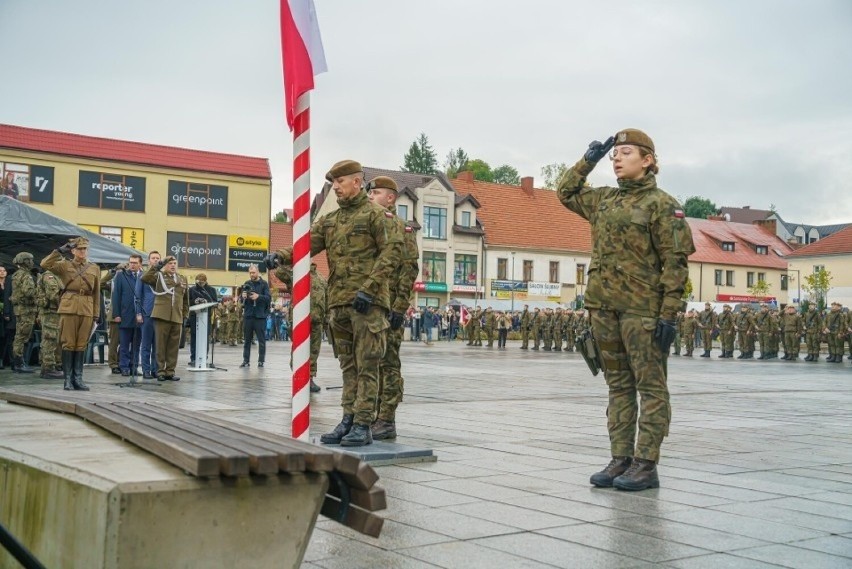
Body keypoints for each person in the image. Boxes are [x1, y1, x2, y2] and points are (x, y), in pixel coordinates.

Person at [557, 128, 694, 491]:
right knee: (618, 385)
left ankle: (646, 463)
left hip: (642, 312)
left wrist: (668, 314)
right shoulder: (603, 200)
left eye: (626, 152)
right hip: (603, 307)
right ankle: (621, 459)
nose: (617, 158)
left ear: (648, 160)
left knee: (650, 387)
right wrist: (589, 160)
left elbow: (675, 265)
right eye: (615, 154)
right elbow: (565, 192)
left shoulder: (663, 205)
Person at [265, 160, 402, 447]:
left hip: (368, 303)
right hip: (339, 304)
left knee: (367, 364)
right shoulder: (331, 220)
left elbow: (391, 254)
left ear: (356, 181)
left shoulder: (378, 216)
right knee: (348, 366)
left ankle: (364, 423)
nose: (336, 187)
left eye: (340, 182)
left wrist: (370, 289)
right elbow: (306, 246)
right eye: (334, 183)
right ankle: (348, 419)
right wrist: (280, 256)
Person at [365, 175, 419, 439]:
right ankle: (371, 415)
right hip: (373, 306)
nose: (369, 197)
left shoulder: (401, 228)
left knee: (388, 363)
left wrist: (399, 308)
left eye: (374, 193)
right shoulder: (370, 227)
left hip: (390, 310)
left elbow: (409, 271)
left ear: (390, 198)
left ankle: (386, 418)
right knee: (370, 362)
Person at [41, 237, 101, 390]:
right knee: (68, 343)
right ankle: (67, 379)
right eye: (79, 249)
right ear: (73, 250)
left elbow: (96, 293)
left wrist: (96, 313)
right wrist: (60, 251)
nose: (83, 251)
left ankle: (78, 379)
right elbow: (45, 264)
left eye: (85, 249)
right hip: (69, 307)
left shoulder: (94, 268)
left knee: (81, 344)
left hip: (87, 308)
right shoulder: (64, 265)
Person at [140, 255, 189, 381]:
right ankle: (160, 371)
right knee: (160, 346)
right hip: (162, 315)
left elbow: (185, 300)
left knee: (173, 347)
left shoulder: (182, 278)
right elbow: (144, 278)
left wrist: (184, 315)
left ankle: (170, 371)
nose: (173, 265)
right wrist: (159, 264)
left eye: (174, 263)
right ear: (165, 265)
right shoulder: (159, 276)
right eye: (170, 263)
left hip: (176, 316)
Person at [112, 254, 144, 376]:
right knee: (124, 344)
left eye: (135, 263)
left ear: (140, 264)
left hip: (139, 317)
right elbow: (116, 296)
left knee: (136, 344)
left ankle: (134, 366)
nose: (132, 265)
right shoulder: (121, 276)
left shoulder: (143, 276)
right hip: (125, 315)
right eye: (131, 262)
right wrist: (116, 314)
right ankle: (124, 367)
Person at [9, 252, 38, 373]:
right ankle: (19, 364)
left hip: (20, 309)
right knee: (22, 336)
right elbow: (29, 292)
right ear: (24, 261)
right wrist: (40, 292)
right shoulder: (26, 276)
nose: (31, 262)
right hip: (26, 309)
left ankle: (17, 363)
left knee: (19, 336)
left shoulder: (16, 274)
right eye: (29, 260)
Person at [135, 251, 161, 379]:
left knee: (157, 345)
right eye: (153, 258)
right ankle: (145, 370)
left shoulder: (162, 276)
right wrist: (138, 312)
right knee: (146, 344)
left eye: (157, 258)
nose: (155, 260)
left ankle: (155, 369)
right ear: (149, 260)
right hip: (147, 313)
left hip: (160, 314)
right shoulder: (143, 275)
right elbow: (137, 296)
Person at [239, 264, 270, 368]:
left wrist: (258, 296)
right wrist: (242, 296)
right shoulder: (246, 283)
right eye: (250, 273)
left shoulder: (264, 284)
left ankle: (261, 361)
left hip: (260, 316)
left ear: (258, 272)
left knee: (261, 340)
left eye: (253, 272)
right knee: (247, 340)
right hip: (248, 315)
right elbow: (240, 299)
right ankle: (246, 360)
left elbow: (268, 298)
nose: (251, 275)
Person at [36, 268, 65, 378]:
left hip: (51, 312)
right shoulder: (50, 276)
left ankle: (46, 368)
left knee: (49, 340)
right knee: (50, 340)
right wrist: (65, 305)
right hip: (51, 312)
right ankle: (49, 369)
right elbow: (53, 295)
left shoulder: (54, 275)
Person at [187, 272, 218, 367]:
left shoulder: (211, 290)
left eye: (202, 283)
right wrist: (194, 301)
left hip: (206, 317)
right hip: (194, 317)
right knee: (194, 338)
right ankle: (193, 357)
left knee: (205, 338)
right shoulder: (192, 289)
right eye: (199, 282)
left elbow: (214, 302)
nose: (200, 284)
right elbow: (188, 302)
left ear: (205, 281)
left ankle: (204, 356)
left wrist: (206, 301)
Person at [0, 266, 10, 369]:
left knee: (6, 337)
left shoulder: (8, 284)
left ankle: (5, 359)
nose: (2, 273)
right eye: (0, 271)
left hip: (7, 313)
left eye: (4, 271)